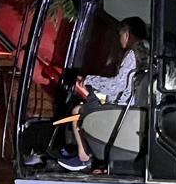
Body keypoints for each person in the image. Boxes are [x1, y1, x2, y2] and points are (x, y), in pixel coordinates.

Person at [59, 16, 149, 172]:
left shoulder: (132, 54)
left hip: (123, 108)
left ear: (126, 34)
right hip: (135, 104)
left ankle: (83, 157)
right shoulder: (146, 50)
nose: (120, 39)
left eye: (120, 35)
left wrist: (88, 80)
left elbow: (116, 85)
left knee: (77, 111)